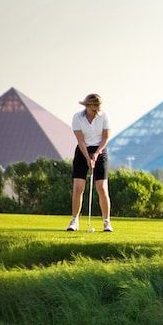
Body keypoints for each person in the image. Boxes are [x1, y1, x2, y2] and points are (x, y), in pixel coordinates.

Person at [66, 94, 113, 231]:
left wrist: (97, 154)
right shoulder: (77, 117)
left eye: (98, 108)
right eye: (94, 109)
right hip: (82, 151)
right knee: (78, 188)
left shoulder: (104, 116)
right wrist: (88, 157)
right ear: (87, 106)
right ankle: (74, 221)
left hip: (100, 150)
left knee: (102, 188)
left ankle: (106, 222)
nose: (96, 111)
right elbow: (80, 140)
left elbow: (105, 138)